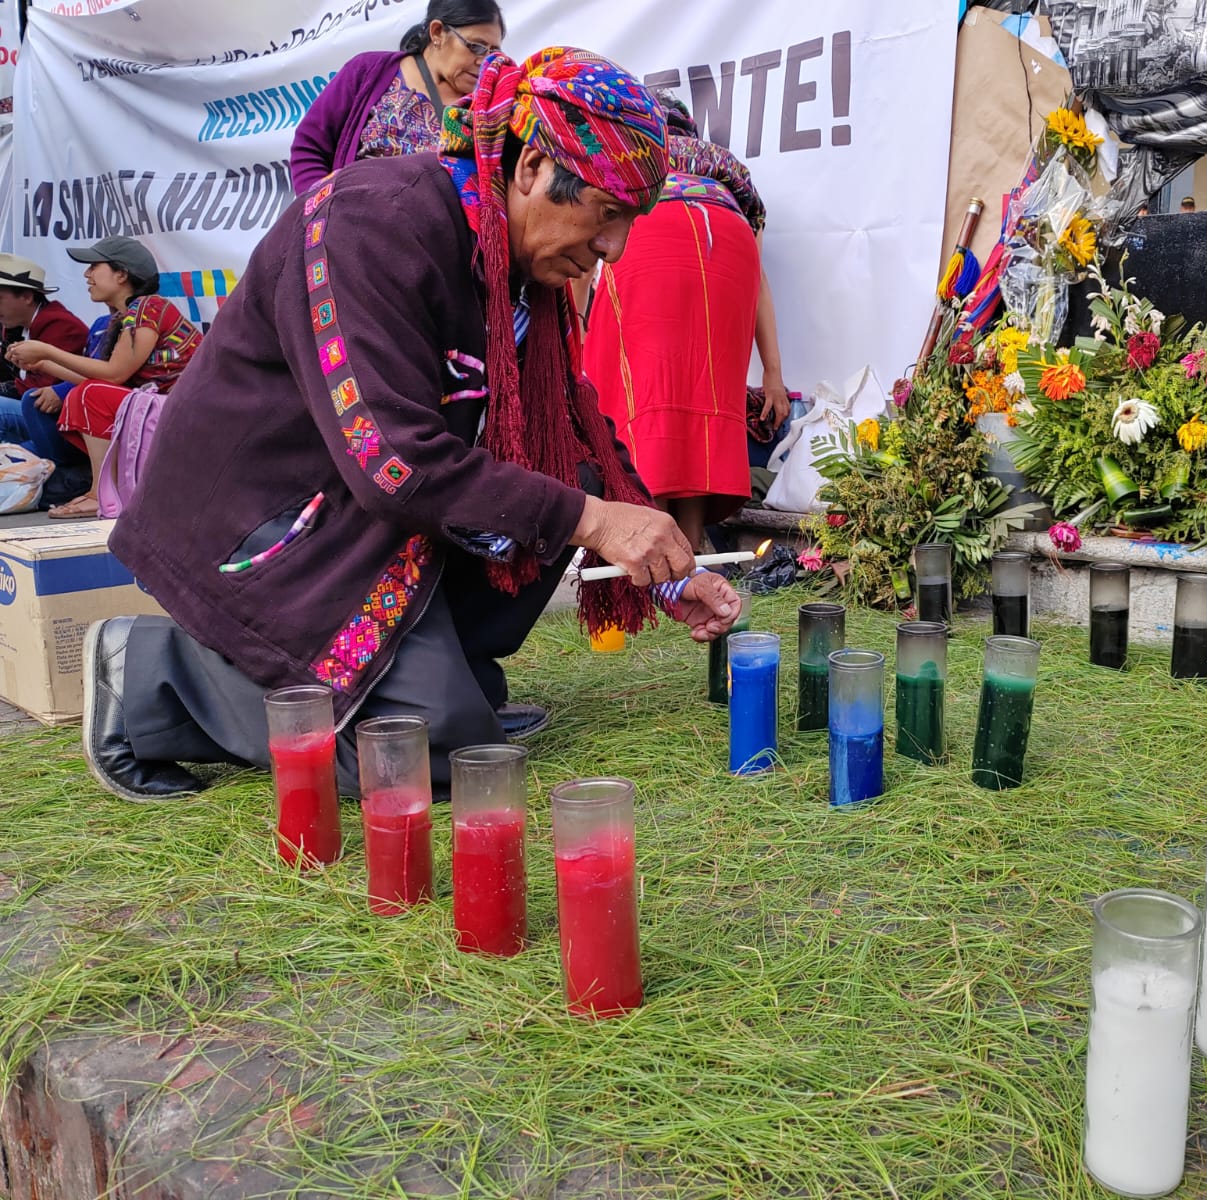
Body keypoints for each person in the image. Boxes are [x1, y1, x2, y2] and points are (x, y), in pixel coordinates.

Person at [84, 47, 740, 805]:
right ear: (528, 170)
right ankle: (150, 677)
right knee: (434, 751)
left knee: (572, 472)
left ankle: (448, 676)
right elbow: (390, 461)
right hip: (267, 517)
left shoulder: (515, 266)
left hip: (357, 515)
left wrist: (665, 567)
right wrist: (596, 523)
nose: (613, 248)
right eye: (606, 214)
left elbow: (572, 424)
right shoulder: (369, 222)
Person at [584, 91, 789, 552]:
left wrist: (578, 331)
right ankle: (692, 544)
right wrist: (773, 376)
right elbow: (759, 278)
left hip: (652, 235)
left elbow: (590, 241)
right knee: (702, 400)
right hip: (729, 247)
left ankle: (648, 545)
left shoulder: (634, 153)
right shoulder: (725, 168)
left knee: (640, 396)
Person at [4, 236, 202, 519]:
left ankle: (100, 493)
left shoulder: (150, 307)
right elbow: (110, 378)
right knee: (76, 394)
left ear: (122, 274)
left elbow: (115, 374)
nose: (87, 274)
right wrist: (44, 362)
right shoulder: (124, 317)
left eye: (94, 266)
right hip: (160, 415)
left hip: (189, 418)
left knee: (89, 395)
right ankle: (98, 487)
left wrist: (49, 351)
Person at [290, 0, 505, 194]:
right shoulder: (368, 72)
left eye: (493, 52)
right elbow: (309, 147)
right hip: (346, 230)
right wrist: (320, 212)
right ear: (437, 32)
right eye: (475, 47)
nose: (483, 61)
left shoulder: (486, 111)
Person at [0, 255, 89, 447]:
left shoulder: (62, 326)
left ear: (27, 297)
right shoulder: (14, 327)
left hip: (61, 424)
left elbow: (43, 389)